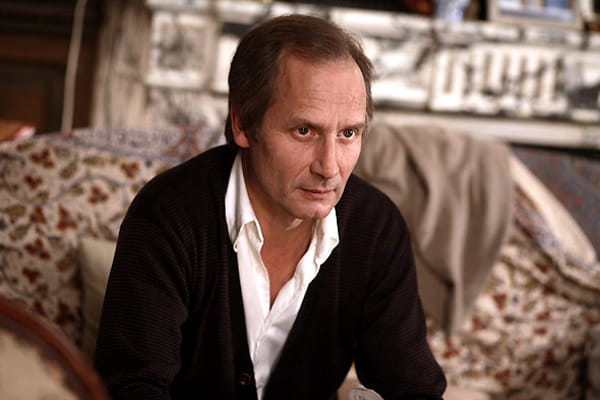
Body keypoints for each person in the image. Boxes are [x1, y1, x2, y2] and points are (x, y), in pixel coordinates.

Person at [94, 14, 446, 400]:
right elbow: (131, 387)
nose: (329, 168)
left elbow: (412, 389)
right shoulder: (170, 215)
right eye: (304, 131)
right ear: (243, 125)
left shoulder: (375, 228)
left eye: (348, 133)